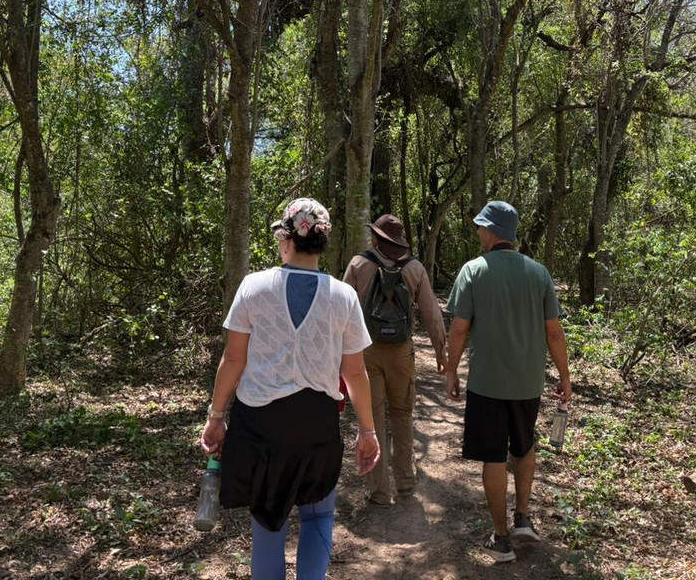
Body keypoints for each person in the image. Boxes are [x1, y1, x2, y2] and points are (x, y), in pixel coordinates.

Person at [199, 198, 380, 580]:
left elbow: (233, 360)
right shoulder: (343, 296)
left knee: (267, 520)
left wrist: (216, 416)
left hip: (261, 423)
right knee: (319, 513)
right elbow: (356, 373)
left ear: (286, 240)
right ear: (322, 243)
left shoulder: (254, 286)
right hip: (317, 423)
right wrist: (368, 431)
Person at [444, 200, 571, 563]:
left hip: (486, 383)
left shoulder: (473, 271)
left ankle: (501, 539)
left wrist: (452, 370)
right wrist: (564, 376)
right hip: (528, 383)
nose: (479, 233)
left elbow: (459, 327)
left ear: (492, 231)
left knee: (493, 457)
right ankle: (524, 518)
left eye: (481, 227)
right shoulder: (539, 273)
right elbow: (554, 332)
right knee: (524, 446)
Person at [342, 214, 447, 506]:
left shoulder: (359, 264)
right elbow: (431, 312)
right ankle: (405, 482)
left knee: (372, 419)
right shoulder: (414, 268)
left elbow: (340, 308)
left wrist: (337, 351)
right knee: (402, 414)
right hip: (402, 352)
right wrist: (441, 350)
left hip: (367, 352)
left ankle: (378, 491)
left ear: (376, 237)